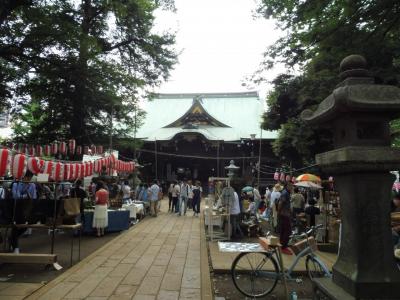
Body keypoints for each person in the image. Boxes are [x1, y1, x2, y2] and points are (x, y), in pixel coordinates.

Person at [278, 183, 292, 255]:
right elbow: (281, 203)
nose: (291, 187)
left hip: (284, 214)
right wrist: (279, 212)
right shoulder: (285, 193)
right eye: (290, 186)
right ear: (287, 186)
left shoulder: (286, 192)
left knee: (283, 230)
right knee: (288, 231)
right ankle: (284, 247)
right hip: (284, 214)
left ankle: (282, 245)